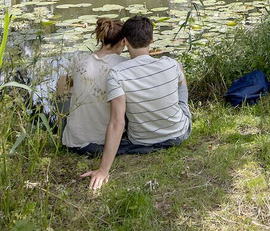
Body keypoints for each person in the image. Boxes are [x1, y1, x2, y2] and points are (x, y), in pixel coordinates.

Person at [81, 15, 191, 190]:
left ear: (125, 42)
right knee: (180, 75)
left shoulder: (117, 74)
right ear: (152, 40)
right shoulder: (171, 64)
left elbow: (118, 121)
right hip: (177, 134)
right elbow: (179, 83)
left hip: (141, 141)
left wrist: (103, 170)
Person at [57, 17, 127, 155]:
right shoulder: (123, 65)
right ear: (123, 41)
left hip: (73, 142)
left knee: (63, 80)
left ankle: (61, 127)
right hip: (106, 141)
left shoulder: (79, 59)